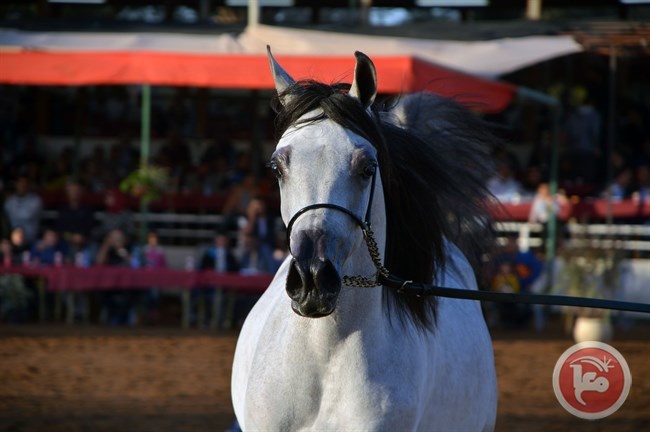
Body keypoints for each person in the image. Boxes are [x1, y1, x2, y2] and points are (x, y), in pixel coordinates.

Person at [197, 231, 240, 329]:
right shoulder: (209, 254)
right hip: (210, 286)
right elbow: (203, 269)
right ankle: (208, 321)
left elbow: (235, 269)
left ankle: (225, 321)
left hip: (226, 286)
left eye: (224, 240)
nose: (222, 242)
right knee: (207, 297)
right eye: (220, 240)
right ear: (215, 241)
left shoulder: (230, 255)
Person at [3, 174, 42, 245]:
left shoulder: (36, 200)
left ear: (28, 185)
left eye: (25, 183)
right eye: (20, 183)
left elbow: (26, 215)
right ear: (16, 184)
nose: (22, 186)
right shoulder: (9, 201)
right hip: (12, 241)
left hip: (30, 240)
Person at [55, 179, 95, 246]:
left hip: (84, 243)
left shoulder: (88, 210)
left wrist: (82, 238)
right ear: (67, 192)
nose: (74, 192)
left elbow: (89, 229)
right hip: (65, 242)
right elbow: (60, 230)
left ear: (81, 192)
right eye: (71, 190)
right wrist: (71, 237)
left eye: (76, 190)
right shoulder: (63, 209)